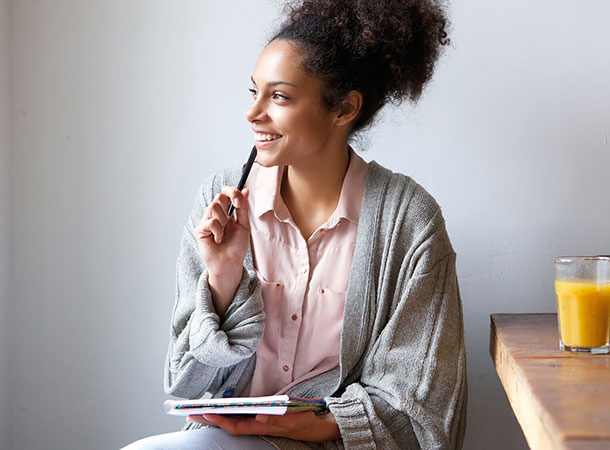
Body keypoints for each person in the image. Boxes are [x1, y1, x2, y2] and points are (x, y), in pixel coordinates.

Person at [124, 0, 466, 448]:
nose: (253, 113)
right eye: (254, 92)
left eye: (279, 96)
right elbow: (186, 380)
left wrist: (313, 426)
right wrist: (224, 280)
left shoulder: (409, 219)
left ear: (343, 109)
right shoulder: (220, 200)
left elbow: (423, 406)